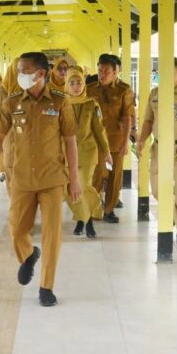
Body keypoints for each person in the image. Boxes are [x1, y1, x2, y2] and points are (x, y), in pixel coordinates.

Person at [0, 52, 81, 307]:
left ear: (40, 73)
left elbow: (70, 142)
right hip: (22, 179)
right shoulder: (12, 102)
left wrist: (74, 178)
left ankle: (46, 286)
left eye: (25, 71)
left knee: (52, 234)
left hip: (52, 180)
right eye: (18, 71)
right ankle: (28, 255)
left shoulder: (61, 102)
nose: (20, 76)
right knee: (16, 229)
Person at [136, 58, 177, 245]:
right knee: (156, 189)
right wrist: (141, 140)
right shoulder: (155, 94)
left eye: (170, 73)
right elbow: (148, 121)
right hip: (159, 147)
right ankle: (173, 215)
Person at [63, 66, 112, 238]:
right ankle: (81, 218)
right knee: (68, 189)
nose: (76, 86)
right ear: (66, 85)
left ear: (84, 85)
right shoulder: (60, 103)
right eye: (72, 83)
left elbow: (99, 129)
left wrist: (106, 151)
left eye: (79, 83)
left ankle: (88, 221)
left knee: (83, 186)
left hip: (87, 152)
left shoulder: (92, 104)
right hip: (66, 153)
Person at [90, 54, 135, 224]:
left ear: (116, 72)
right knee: (97, 175)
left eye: (106, 71)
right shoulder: (91, 89)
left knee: (115, 176)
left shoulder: (124, 90)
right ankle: (93, 208)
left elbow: (127, 117)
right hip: (95, 142)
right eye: (100, 70)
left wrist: (125, 142)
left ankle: (109, 209)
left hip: (115, 141)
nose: (102, 74)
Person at [0, 57, 21, 193]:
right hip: (10, 142)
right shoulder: (3, 93)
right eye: (19, 70)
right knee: (13, 184)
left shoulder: (31, 91)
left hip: (28, 145)